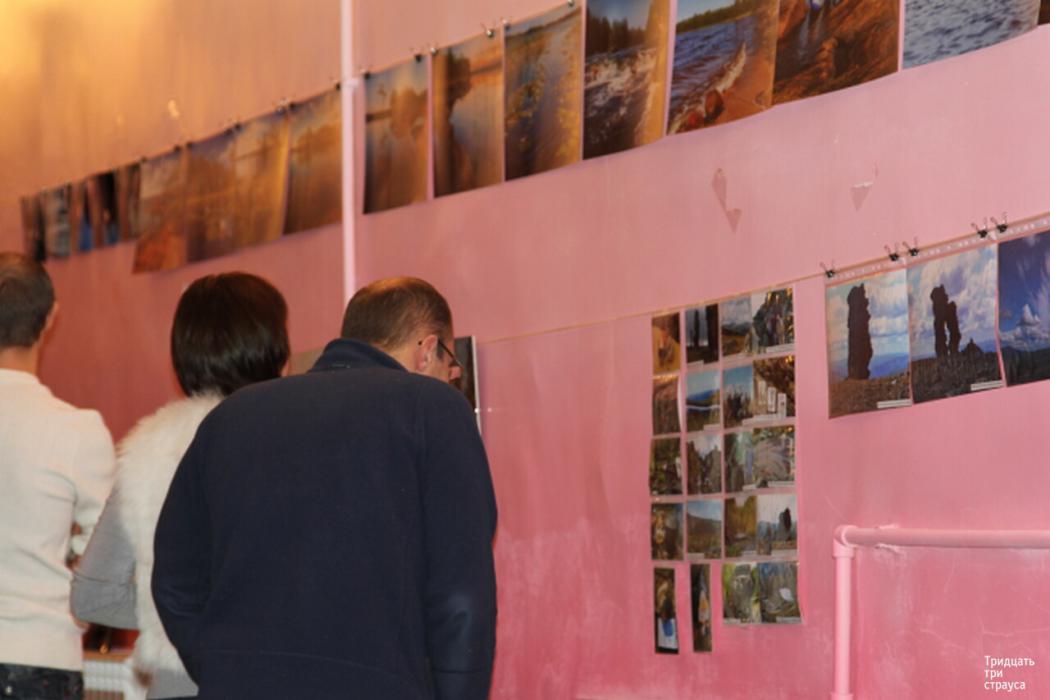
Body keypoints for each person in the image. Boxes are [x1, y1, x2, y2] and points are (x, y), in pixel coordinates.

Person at [152, 276, 497, 700]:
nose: (451, 377)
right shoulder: (433, 408)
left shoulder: (232, 416)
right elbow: (462, 598)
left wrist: (223, 664)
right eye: (451, 365)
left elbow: (175, 580)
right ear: (427, 350)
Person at [71, 272, 290, 699]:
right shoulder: (297, 442)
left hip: (177, 685)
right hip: (275, 679)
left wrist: (168, 617)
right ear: (275, 351)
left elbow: (92, 596)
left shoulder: (148, 450)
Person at [0, 252, 116, 699]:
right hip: (41, 652)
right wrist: (77, 610)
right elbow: (106, 553)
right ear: (51, 317)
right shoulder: (77, 430)